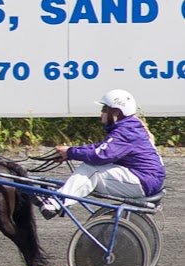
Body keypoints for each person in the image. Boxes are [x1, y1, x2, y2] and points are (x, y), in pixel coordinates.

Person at [39, 89, 166, 219]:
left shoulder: (126, 131)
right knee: (91, 167)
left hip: (144, 181)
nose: (101, 113)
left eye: (105, 109)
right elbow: (99, 148)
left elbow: (100, 155)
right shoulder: (128, 127)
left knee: (91, 169)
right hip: (146, 179)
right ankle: (61, 198)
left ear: (116, 112)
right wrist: (70, 151)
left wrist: (71, 152)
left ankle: (57, 203)